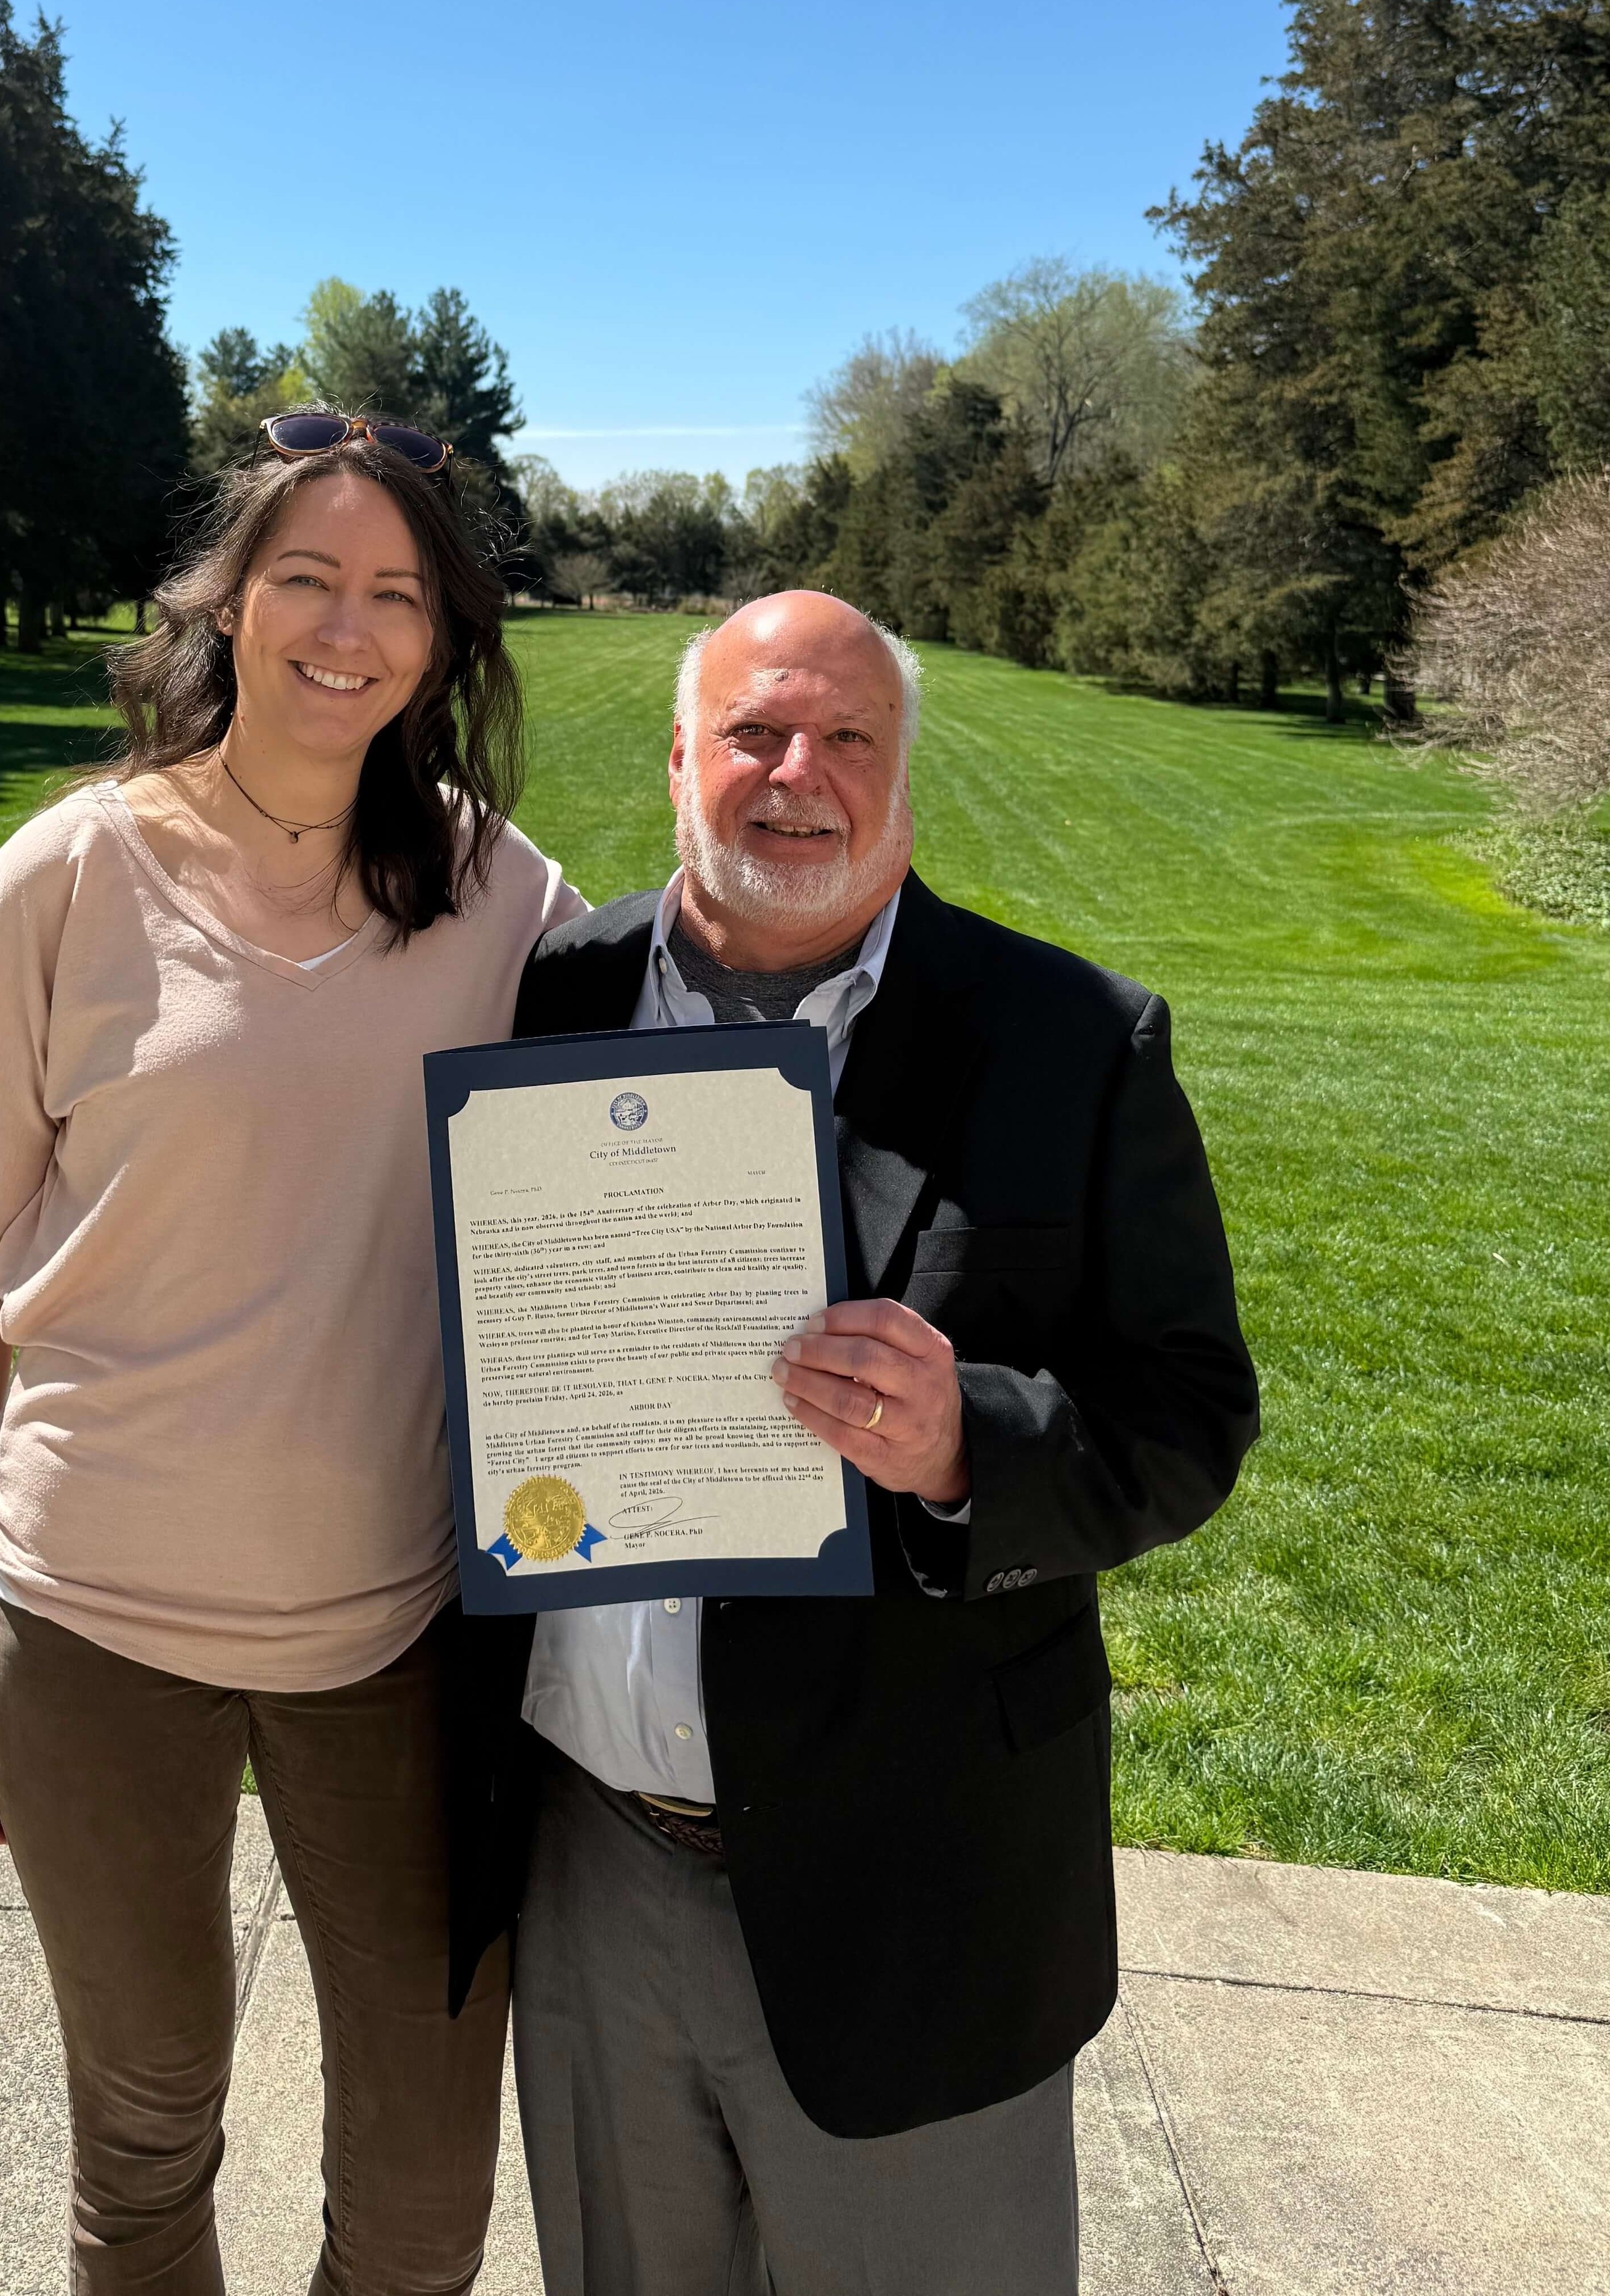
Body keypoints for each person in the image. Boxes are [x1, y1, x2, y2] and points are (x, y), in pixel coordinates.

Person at [0, 411, 581, 2296]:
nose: (345, 629)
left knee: (430, 2189)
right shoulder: (65, 877)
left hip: (400, 1635)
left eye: (396, 593)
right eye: (306, 580)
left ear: (442, 639)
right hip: (90, 1621)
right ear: (224, 601)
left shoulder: (500, 900)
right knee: (143, 2135)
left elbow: (651, 1149)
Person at [499, 590, 1260, 2296]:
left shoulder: (1070, 1042)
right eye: (757, 732)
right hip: (592, 1859)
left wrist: (961, 1446)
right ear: (682, 758)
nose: (799, 776)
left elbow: (1192, 1418)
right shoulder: (556, 998)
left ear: (907, 779)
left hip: (920, 1886)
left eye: (850, 739)